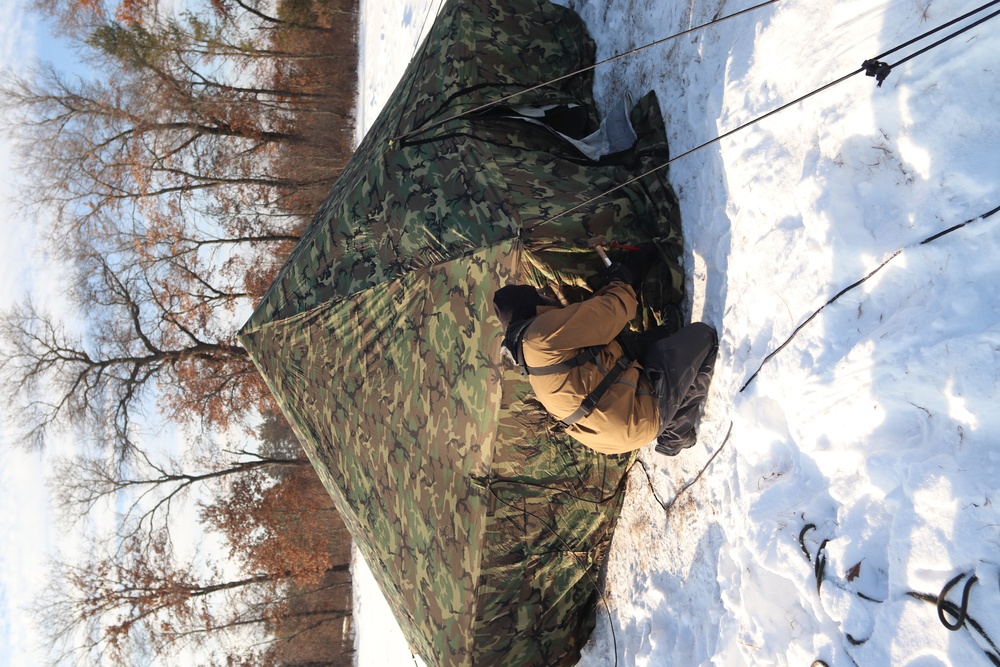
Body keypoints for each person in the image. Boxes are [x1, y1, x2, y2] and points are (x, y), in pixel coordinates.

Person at [493, 249, 716, 456]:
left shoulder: (528, 354)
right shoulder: (540, 335)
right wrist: (618, 278)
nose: (546, 295)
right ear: (531, 304)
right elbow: (616, 309)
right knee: (702, 337)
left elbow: (595, 329)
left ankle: (666, 338)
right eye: (539, 294)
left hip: (611, 434)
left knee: (616, 344)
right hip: (637, 417)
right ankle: (675, 434)